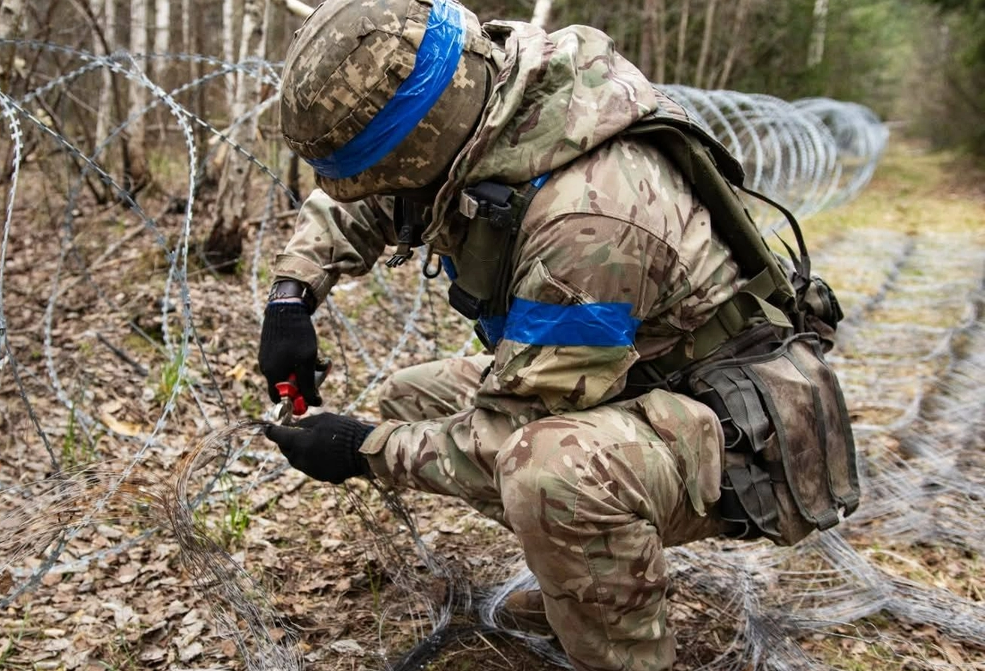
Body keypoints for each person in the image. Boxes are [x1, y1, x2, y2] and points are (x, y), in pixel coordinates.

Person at [257, 0, 859, 669]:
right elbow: (383, 196)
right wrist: (292, 297)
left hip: (744, 434)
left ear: (426, 137)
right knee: (415, 398)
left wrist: (361, 449)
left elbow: (509, 429)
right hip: (633, 386)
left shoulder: (590, 216)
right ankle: (584, 581)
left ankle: (622, 646)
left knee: (549, 471)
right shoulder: (484, 96)